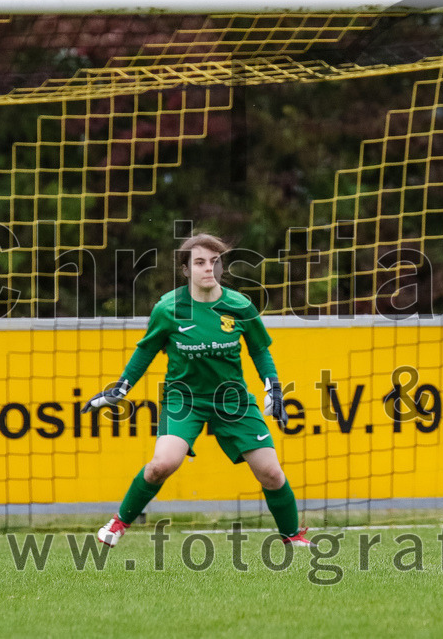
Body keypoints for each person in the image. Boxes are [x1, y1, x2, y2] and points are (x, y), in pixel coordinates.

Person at [83, 233, 314, 548]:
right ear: (186, 270)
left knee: (271, 473)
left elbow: (260, 351)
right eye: (200, 262)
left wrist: (273, 387)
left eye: (215, 262)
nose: (209, 268)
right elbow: (145, 351)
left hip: (233, 401)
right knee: (161, 465)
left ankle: (292, 537)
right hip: (185, 400)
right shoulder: (168, 309)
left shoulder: (239, 305)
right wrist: (120, 388)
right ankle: (119, 522)